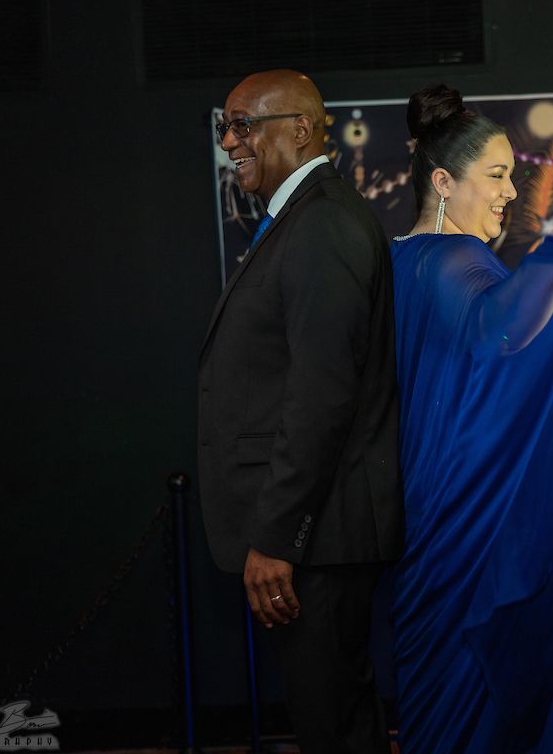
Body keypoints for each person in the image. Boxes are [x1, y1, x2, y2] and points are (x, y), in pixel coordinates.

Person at [389, 84, 553, 752]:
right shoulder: (455, 259)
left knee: (436, 709)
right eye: (494, 175)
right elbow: (502, 335)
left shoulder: (395, 261)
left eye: (511, 175)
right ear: (443, 180)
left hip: (424, 513)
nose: (507, 191)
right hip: (471, 522)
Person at [198, 69, 403, 754]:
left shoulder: (322, 225)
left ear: (301, 129)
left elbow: (320, 397)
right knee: (331, 717)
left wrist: (278, 537)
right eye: (225, 126)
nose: (230, 141)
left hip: (317, 539)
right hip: (316, 536)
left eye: (243, 124)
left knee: (335, 724)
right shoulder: (300, 219)